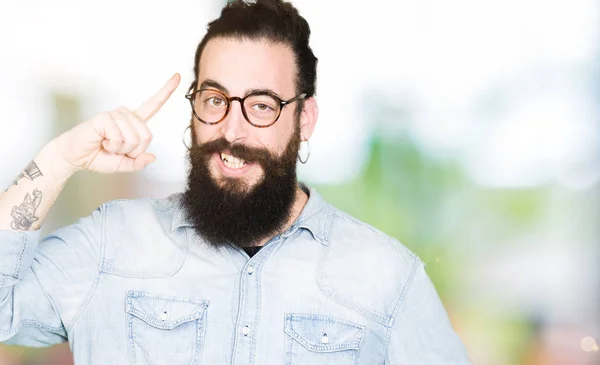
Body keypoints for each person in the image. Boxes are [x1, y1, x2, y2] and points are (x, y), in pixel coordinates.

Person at [0, 1, 472, 364]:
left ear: (304, 118)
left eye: (262, 105)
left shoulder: (387, 277)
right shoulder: (110, 244)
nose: (231, 130)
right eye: (214, 99)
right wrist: (58, 159)